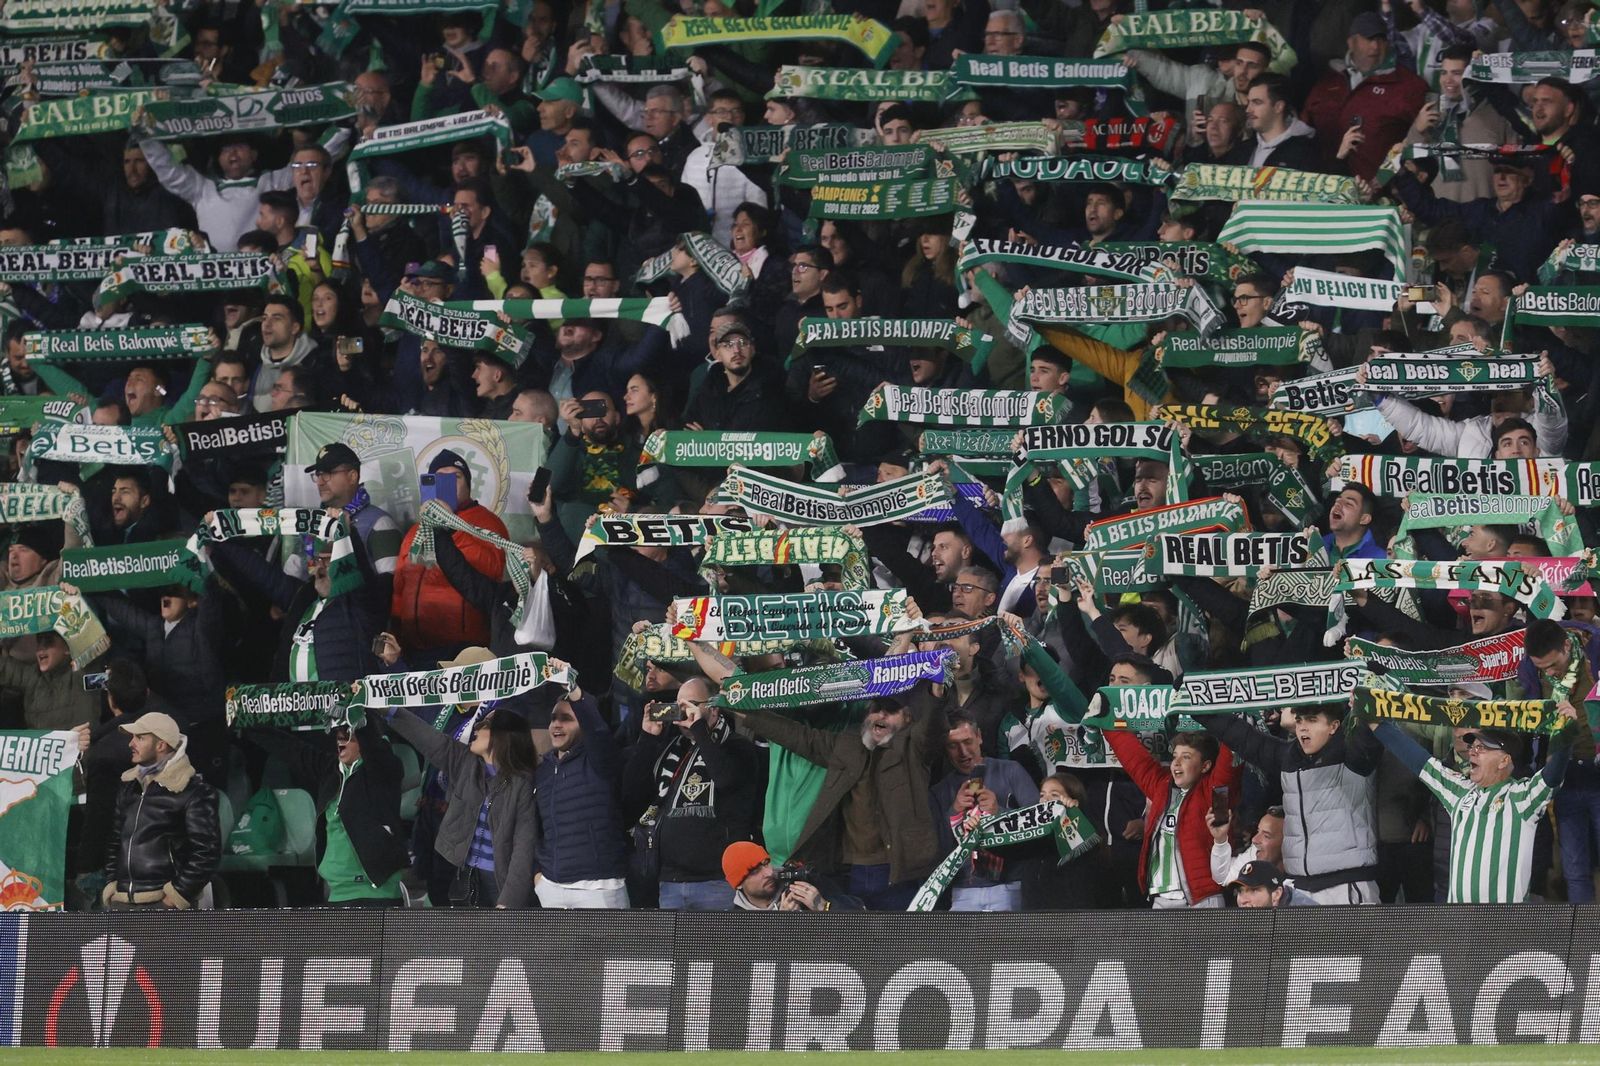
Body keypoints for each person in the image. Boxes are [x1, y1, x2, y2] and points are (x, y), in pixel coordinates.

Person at [734, 693, 947, 910]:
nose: (880, 714)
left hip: (898, 872)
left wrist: (937, 694)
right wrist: (741, 708)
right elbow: (797, 736)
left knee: (896, 941)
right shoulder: (847, 745)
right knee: (849, 941)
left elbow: (934, 729)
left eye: (890, 710)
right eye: (875, 708)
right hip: (847, 872)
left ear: (908, 719)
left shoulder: (915, 748)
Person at [1370, 716, 1576, 903]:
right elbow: (1416, 759)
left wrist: (1565, 732)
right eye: (1473, 746)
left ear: (1505, 760)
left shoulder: (1522, 797)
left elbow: (1553, 775)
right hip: (1460, 926)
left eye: (1483, 748)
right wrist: (1375, 723)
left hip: (1506, 927)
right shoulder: (1459, 790)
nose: (1473, 751)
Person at [622, 677, 763, 910]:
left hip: (718, 879)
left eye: (691, 704)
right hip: (670, 880)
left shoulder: (737, 747)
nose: (682, 712)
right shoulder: (671, 749)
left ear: (714, 708)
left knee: (719, 947)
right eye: (679, 705)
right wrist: (648, 738)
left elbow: (726, 779)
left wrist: (700, 731)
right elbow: (631, 795)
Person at [1104, 729, 1240, 908]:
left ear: (1205, 766)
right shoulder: (1161, 786)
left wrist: (1234, 724)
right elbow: (1132, 755)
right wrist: (1106, 720)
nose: (1176, 763)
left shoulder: (1212, 791)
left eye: (1186, 757)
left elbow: (1228, 766)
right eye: (1175, 755)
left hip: (1202, 899)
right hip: (1160, 898)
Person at [101, 712, 220, 910]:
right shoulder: (129, 787)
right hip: (122, 902)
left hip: (163, 904)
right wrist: (113, 884)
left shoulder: (194, 791)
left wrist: (177, 895)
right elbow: (115, 840)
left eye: (140, 737)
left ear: (161, 745)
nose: (131, 744)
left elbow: (207, 852)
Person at [1229, 860, 1319, 908]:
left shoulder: (1306, 920)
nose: (1243, 900)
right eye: (1240, 891)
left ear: (1276, 894)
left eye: (1253, 890)